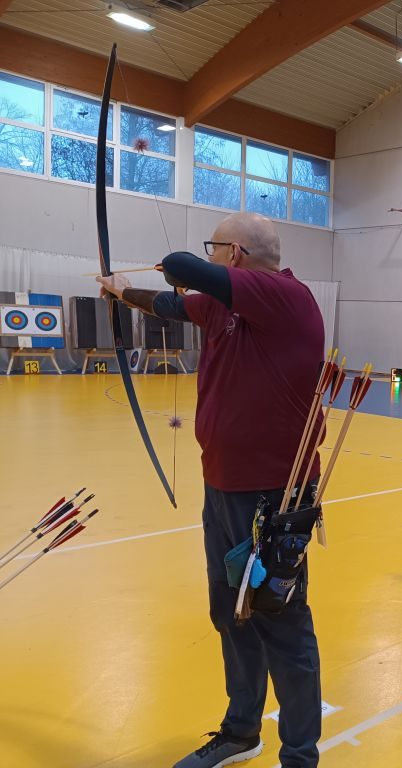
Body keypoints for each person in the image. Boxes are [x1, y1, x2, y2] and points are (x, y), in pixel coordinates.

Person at [97, 212, 325, 768]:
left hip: (274, 497)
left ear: (236, 254)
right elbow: (173, 303)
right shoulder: (225, 306)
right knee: (230, 612)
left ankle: (300, 757)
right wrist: (124, 291)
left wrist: (174, 266)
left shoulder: (285, 297)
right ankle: (241, 731)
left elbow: (183, 270)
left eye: (215, 247)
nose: (210, 255)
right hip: (222, 486)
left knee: (281, 621)